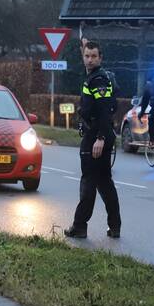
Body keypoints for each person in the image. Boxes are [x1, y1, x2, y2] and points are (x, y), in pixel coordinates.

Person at [64, 40, 121, 239]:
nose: (90, 60)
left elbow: (105, 112)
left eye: (94, 56)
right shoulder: (96, 77)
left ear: (100, 58)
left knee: (89, 182)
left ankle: (79, 226)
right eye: (87, 56)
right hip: (99, 134)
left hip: (96, 137)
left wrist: (100, 138)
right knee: (105, 182)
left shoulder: (98, 80)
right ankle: (115, 226)